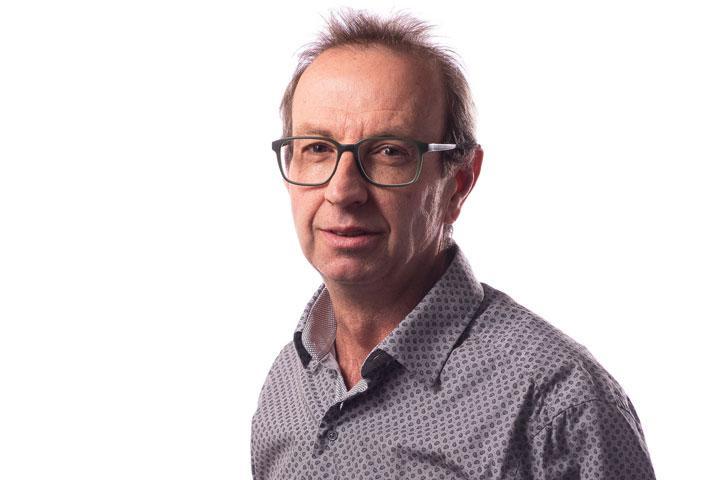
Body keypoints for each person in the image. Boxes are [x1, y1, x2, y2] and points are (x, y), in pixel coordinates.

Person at [251, 9, 655, 479]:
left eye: (388, 153)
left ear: (458, 182)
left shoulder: (559, 405)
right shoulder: (285, 388)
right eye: (317, 148)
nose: (343, 191)